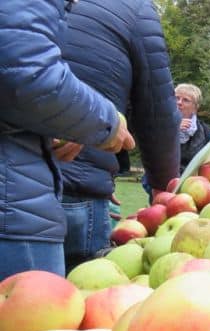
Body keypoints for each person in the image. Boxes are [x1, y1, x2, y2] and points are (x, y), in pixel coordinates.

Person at [0, 0, 135, 281]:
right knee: (32, 320)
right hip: (13, 211)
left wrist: (45, 129)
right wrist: (109, 123)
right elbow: (29, 75)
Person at [57, 0, 181, 271]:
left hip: (20, 171)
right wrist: (164, 192)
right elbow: (158, 114)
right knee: (76, 299)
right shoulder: (135, 9)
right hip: (76, 190)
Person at [175, 83, 210, 172]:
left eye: (186, 100)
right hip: (164, 182)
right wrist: (172, 129)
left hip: (196, 182)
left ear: (195, 108)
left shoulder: (207, 132)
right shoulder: (159, 126)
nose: (179, 102)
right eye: (176, 98)